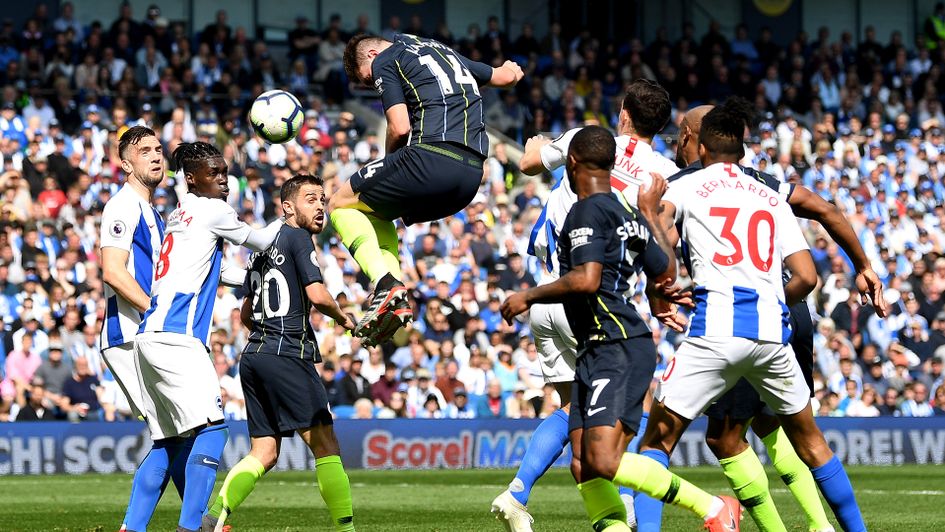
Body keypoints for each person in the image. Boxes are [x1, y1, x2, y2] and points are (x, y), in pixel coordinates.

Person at [634, 100, 887, 532]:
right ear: (743, 150)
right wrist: (860, 267)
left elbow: (664, 255)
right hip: (774, 334)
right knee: (811, 443)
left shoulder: (684, 185)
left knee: (657, 442)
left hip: (716, 330)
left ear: (702, 146)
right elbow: (807, 275)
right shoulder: (771, 194)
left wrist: (649, 218)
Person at [501, 126, 739, 532]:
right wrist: (650, 214)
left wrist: (529, 295)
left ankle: (713, 507)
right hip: (600, 345)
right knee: (582, 463)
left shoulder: (585, 211)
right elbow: (664, 271)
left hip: (616, 344)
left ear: (571, 163)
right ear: (612, 165)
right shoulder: (627, 210)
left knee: (603, 460)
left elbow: (587, 279)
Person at [491, 79, 679, 531]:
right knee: (636, 407)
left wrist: (537, 144)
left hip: (546, 294)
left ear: (624, 113)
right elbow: (663, 241)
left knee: (572, 408)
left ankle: (518, 492)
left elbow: (529, 162)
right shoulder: (664, 173)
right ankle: (632, 506)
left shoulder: (585, 141)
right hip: (595, 302)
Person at [334, 33, 523, 344]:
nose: (373, 85)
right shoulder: (443, 52)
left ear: (370, 54)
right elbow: (504, 77)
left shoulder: (385, 59)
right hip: (471, 176)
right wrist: (513, 70)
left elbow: (400, 127)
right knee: (377, 212)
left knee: (340, 203)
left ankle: (384, 283)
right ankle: (393, 295)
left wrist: (390, 164)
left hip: (433, 157)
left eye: (368, 81)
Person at [134, 142, 284, 532]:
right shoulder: (212, 209)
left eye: (224, 172)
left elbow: (217, 272)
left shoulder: (180, 214)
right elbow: (262, 241)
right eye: (213, 172)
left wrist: (251, 280)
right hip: (178, 337)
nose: (223, 180)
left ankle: (131, 527)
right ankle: (191, 527)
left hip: (148, 338)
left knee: (168, 443)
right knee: (214, 430)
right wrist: (290, 215)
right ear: (191, 178)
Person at [203, 174, 356, 532]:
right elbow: (317, 295)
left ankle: (213, 517)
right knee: (326, 445)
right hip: (286, 351)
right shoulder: (298, 237)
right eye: (310, 199)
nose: (320, 206)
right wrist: (345, 319)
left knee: (265, 452)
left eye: (322, 199)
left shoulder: (260, 249)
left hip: (254, 356)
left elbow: (246, 314)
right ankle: (346, 530)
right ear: (288, 207)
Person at [99, 126, 188, 531]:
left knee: (175, 432)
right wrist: (156, 312)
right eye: (144, 151)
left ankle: (184, 521)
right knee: (178, 431)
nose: (155, 156)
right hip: (129, 335)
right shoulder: (122, 206)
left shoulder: (151, 211)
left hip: (147, 334)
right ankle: (198, 520)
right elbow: (113, 271)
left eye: (158, 149)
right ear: (125, 164)